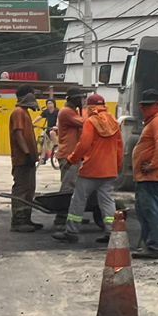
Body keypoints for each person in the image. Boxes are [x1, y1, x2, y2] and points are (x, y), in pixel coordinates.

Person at [53, 92, 122, 243]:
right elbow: (119, 147)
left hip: (91, 169)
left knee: (78, 199)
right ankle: (111, 232)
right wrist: (118, 166)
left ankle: (71, 232)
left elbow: (83, 144)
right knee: (108, 201)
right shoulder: (114, 122)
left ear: (90, 107)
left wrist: (72, 159)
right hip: (109, 170)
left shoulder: (91, 122)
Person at [130, 90, 158, 261]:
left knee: (151, 210)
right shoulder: (155, 120)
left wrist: (153, 165)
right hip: (147, 175)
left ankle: (155, 246)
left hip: (151, 175)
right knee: (145, 210)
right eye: (143, 106)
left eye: (147, 106)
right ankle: (150, 244)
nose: (143, 109)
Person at [8, 88, 42, 233]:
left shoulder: (25, 113)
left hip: (28, 160)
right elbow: (18, 134)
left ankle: (26, 219)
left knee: (29, 189)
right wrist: (27, 153)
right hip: (22, 160)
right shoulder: (18, 113)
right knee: (21, 189)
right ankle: (18, 221)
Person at [52, 92, 86, 231]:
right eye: (79, 98)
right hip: (67, 154)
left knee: (72, 186)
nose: (81, 101)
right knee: (68, 187)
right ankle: (61, 217)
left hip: (72, 154)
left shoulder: (71, 112)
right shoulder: (66, 112)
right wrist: (85, 110)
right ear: (72, 99)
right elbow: (85, 122)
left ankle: (70, 215)